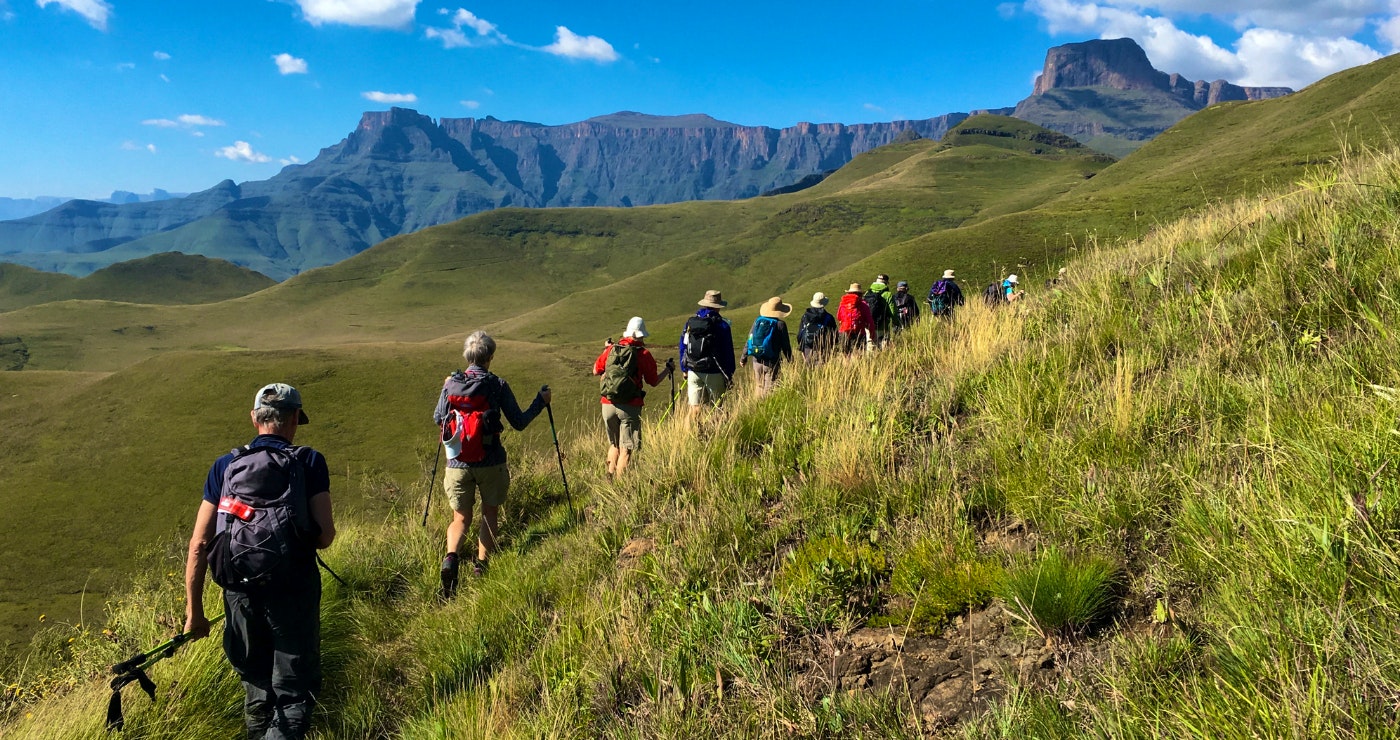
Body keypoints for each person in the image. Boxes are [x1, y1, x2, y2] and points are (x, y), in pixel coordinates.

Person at [183, 382, 336, 740]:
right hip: (293, 591)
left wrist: (194, 612)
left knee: (257, 689)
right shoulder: (309, 461)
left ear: (255, 418)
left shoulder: (224, 466)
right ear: (294, 419)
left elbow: (199, 544)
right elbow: (325, 536)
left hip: (239, 594)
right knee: (293, 695)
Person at [433, 331, 551, 597]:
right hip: (491, 462)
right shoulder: (497, 385)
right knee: (489, 514)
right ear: (490, 357)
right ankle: (481, 568)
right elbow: (518, 422)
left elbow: (439, 418)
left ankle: (451, 559)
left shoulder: (451, 383)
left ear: (467, 356)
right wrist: (540, 402)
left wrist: (447, 389)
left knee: (460, 518)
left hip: (457, 462)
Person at [592, 317, 674, 478]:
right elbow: (653, 381)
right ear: (642, 335)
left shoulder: (612, 349)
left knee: (614, 444)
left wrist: (606, 350)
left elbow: (595, 370)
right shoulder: (643, 354)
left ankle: (609, 477)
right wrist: (668, 369)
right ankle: (620, 485)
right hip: (630, 406)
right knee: (626, 449)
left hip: (607, 403)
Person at [679, 290, 736, 420]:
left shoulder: (691, 323)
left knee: (695, 409)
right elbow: (728, 351)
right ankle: (715, 431)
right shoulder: (722, 325)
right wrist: (729, 374)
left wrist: (684, 368)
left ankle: (689, 431)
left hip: (693, 369)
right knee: (717, 408)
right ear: (718, 306)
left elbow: (683, 346)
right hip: (714, 371)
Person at [740, 296, 794, 397]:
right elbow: (785, 345)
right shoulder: (780, 324)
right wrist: (790, 360)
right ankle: (765, 406)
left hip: (756, 360)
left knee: (759, 386)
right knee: (769, 389)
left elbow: (750, 339)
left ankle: (756, 405)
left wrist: (743, 357)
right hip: (771, 362)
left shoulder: (757, 321)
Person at [795, 292, 839, 365]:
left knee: (809, 370)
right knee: (822, 370)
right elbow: (835, 336)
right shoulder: (829, 317)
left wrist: (802, 349)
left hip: (807, 348)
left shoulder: (805, 316)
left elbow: (800, 334)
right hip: (824, 348)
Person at [836, 283, 875, 354]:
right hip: (859, 333)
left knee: (845, 355)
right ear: (860, 294)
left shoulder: (843, 304)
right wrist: (872, 335)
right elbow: (870, 322)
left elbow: (838, 317)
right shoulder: (863, 305)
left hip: (844, 332)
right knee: (859, 355)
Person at [863, 275, 895, 347]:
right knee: (883, 348)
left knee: (870, 347)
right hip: (882, 326)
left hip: (868, 326)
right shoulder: (888, 294)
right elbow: (893, 312)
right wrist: (897, 323)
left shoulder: (867, 293)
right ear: (886, 283)